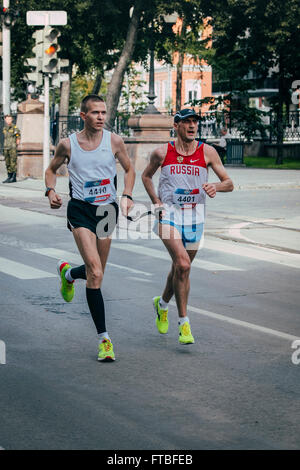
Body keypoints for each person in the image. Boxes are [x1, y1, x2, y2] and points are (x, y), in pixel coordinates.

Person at [45, 95, 135, 361]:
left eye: (103, 112)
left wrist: (127, 195)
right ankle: (104, 339)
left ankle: (70, 274)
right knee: (95, 271)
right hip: (81, 209)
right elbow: (51, 170)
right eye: (95, 112)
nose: (100, 117)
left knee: (98, 273)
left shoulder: (114, 141)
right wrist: (50, 190)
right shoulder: (68, 145)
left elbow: (129, 170)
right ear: (83, 116)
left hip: (107, 210)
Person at [142, 108, 234, 345]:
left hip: (195, 218)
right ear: (176, 126)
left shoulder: (208, 152)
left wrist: (217, 187)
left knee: (180, 268)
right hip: (169, 216)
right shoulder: (162, 152)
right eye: (187, 122)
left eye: (195, 122)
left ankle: (162, 304)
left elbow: (229, 183)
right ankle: (184, 323)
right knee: (183, 264)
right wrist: (156, 201)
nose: (192, 126)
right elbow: (146, 176)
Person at [2, 114, 21, 183]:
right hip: (6, 147)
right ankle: (9, 176)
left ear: (12, 119)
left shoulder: (14, 128)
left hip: (12, 147)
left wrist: (17, 141)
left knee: (13, 162)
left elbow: (18, 136)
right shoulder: (4, 128)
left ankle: (13, 177)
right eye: (7, 119)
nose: (8, 120)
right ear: (5, 120)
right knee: (7, 162)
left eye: (9, 119)